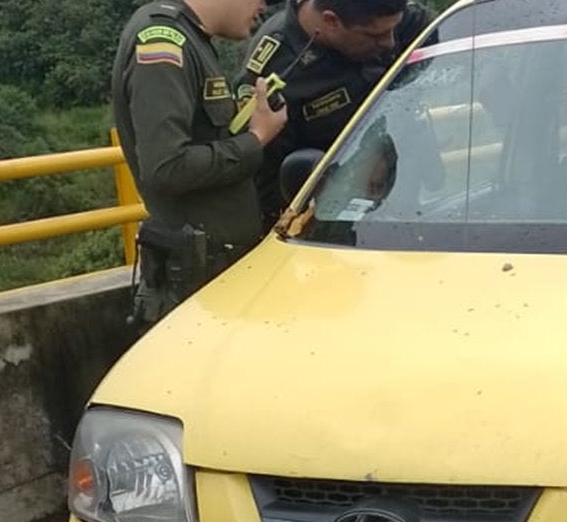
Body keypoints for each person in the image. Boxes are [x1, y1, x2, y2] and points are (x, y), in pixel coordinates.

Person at [113, 0, 288, 327]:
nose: (264, 5)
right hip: (194, 287)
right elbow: (166, 167)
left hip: (217, 278)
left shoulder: (194, 39)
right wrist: (255, 139)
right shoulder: (162, 41)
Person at [238, 0, 437, 226]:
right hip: (334, 212)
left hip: (409, 184)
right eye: (374, 36)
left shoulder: (391, 14)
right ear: (331, 21)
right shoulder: (277, 70)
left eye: (393, 30)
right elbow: (267, 181)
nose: (390, 43)